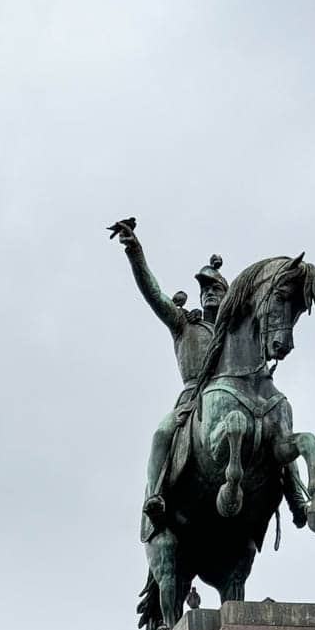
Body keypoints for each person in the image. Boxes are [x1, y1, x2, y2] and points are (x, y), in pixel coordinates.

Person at [111, 220, 227, 525]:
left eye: (216, 288)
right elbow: (154, 293)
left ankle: (295, 493)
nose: (209, 293)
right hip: (191, 401)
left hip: (231, 395)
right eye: (205, 289)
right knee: (162, 433)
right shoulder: (184, 324)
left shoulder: (232, 335)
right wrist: (134, 250)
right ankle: (155, 494)